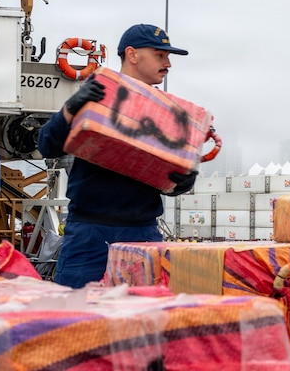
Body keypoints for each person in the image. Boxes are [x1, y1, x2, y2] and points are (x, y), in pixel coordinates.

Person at [42, 25, 201, 287]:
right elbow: (48, 146)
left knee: (144, 318)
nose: (168, 63)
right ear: (132, 54)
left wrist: (183, 181)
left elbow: (172, 178)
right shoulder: (98, 92)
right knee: (78, 315)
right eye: (160, 55)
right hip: (90, 232)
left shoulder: (169, 113)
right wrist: (71, 107)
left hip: (143, 232)